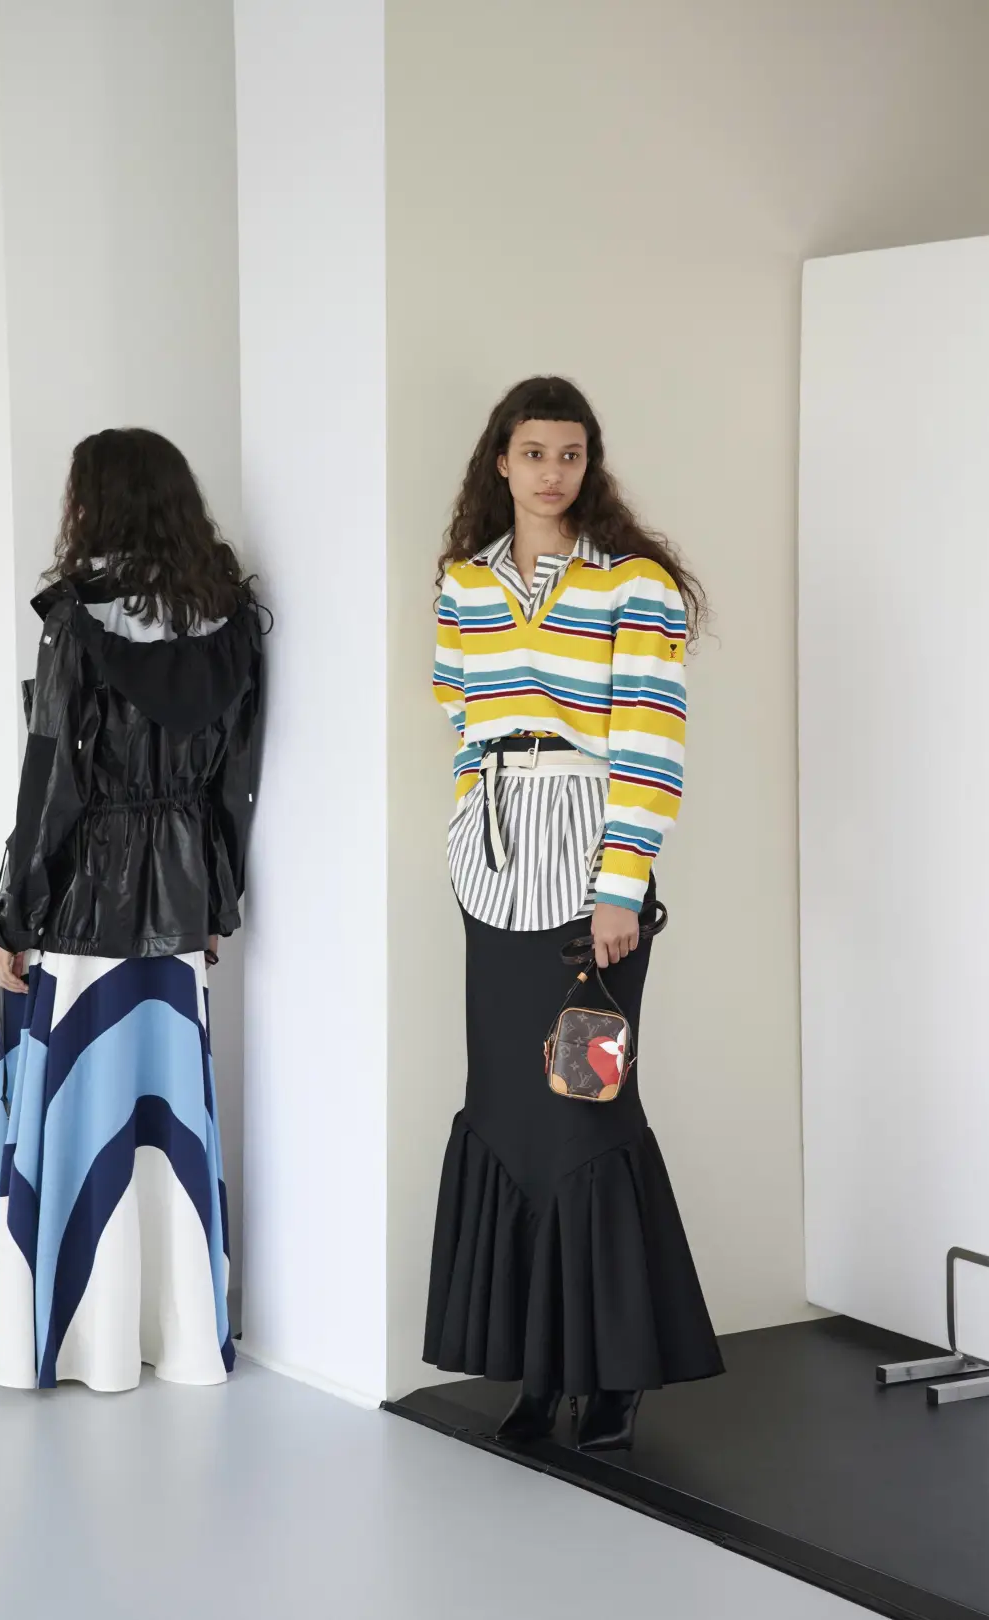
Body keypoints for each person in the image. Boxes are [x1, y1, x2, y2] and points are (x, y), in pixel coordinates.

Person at [0, 428, 263, 1392]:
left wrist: (13, 913)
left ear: (94, 503)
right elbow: (237, 782)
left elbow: (52, 784)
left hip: (83, 898)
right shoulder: (231, 622)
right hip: (181, 896)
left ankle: (60, 1329)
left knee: (65, 1100)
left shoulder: (76, 620)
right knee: (163, 1109)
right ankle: (173, 1330)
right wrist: (218, 899)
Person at [423, 377, 723, 1449]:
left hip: (590, 860)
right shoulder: (465, 582)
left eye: (571, 453)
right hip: (495, 862)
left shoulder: (632, 583)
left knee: (587, 1107)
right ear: (500, 461)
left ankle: (613, 1374)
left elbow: (650, 737)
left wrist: (620, 884)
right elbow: (461, 713)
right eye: (534, 452)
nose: (553, 472)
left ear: (589, 463)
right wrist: (475, 825)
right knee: (508, 1107)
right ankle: (540, 1369)